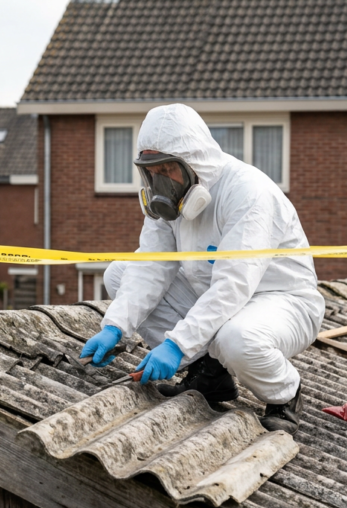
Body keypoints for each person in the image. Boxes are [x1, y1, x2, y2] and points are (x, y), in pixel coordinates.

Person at [79, 103, 325, 434]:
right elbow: (151, 266)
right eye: (153, 171)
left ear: (193, 162)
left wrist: (176, 345)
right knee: (119, 274)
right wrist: (116, 326)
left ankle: (285, 394)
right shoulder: (170, 202)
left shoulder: (247, 193)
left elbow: (232, 285)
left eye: (167, 170)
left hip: (282, 301)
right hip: (215, 294)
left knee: (235, 338)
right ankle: (207, 375)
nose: (159, 181)